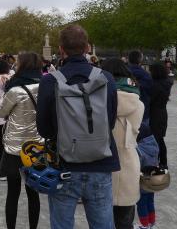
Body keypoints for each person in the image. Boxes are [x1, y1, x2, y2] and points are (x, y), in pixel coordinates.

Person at [36, 25, 120, 229]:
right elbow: (110, 119)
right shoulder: (106, 78)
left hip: (64, 165)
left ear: (60, 49)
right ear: (87, 47)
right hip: (100, 162)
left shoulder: (49, 82)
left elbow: (44, 129)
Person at [0, 52, 43, 229]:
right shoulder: (46, 86)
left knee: (13, 192)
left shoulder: (14, 89)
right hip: (37, 146)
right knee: (33, 193)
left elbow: (0, 113)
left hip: (14, 148)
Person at [101, 58, 144, 229]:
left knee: (102, 220)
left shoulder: (98, 100)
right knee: (126, 220)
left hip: (103, 161)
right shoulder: (138, 102)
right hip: (128, 161)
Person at [149, 62, 172, 168]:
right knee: (160, 138)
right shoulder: (166, 82)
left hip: (154, 113)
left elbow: (151, 100)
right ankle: (163, 161)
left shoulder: (154, 84)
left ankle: (157, 162)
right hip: (162, 112)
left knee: (156, 139)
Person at [128, 50, 153, 122]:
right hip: (142, 111)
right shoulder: (146, 75)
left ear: (128, 60)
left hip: (125, 111)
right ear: (140, 60)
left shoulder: (123, 73)